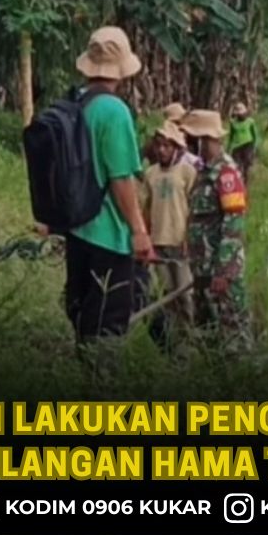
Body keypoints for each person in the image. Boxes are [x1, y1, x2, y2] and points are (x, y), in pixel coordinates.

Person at [64, 26, 152, 345]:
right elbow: (121, 179)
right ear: (122, 72)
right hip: (109, 238)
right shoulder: (115, 111)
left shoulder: (76, 104)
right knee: (107, 327)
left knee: (83, 318)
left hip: (76, 231)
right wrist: (139, 231)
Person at [181, 110, 251, 347]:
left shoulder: (226, 173)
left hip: (221, 273)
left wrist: (223, 271)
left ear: (205, 139)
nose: (188, 144)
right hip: (203, 269)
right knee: (209, 336)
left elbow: (233, 224)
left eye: (191, 138)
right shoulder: (203, 172)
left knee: (233, 336)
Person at [138, 121, 197, 339]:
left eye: (166, 146)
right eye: (158, 146)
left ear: (176, 148)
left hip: (180, 241)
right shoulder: (151, 174)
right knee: (166, 293)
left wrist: (189, 237)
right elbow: (145, 208)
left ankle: (189, 336)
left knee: (185, 293)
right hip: (158, 242)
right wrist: (144, 238)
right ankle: (173, 341)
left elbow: (194, 207)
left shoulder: (187, 172)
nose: (161, 150)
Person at [227, 103, 258, 181]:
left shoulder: (250, 122)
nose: (241, 115)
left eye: (242, 114)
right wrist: (228, 148)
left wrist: (255, 146)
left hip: (248, 144)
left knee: (247, 165)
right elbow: (231, 136)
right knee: (236, 165)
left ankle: (246, 181)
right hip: (237, 146)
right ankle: (239, 181)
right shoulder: (233, 123)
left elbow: (255, 135)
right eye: (239, 114)